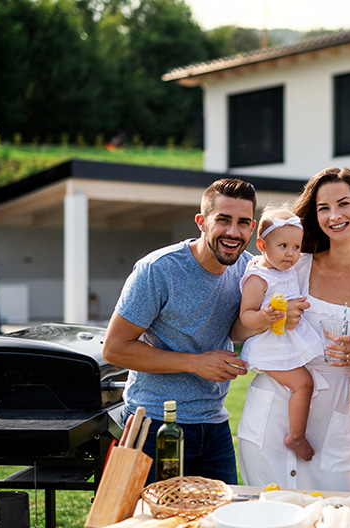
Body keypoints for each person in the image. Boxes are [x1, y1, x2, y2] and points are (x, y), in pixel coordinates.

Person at [237, 167, 350, 492]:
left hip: (338, 422)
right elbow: (239, 330)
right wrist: (274, 316)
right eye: (323, 208)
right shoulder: (293, 264)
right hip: (274, 413)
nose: (334, 215)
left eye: (343, 204)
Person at [103, 178, 266, 485]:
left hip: (215, 424)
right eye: (223, 220)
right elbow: (115, 348)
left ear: (252, 227)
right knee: (155, 519)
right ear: (202, 222)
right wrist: (195, 363)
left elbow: (236, 327)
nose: (234, 232)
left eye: (243, 223)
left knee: (220, 518)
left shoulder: (248, 269)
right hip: (155, 424)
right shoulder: (158, 269)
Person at [238, 206, 323, 462]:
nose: (291, 254)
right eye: (283, 246)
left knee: (304, 384)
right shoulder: (258, 278)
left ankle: (296, 432)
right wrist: (264, 316)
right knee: (304, 384)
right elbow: (245, 316)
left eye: (296, 247)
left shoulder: (284, 270)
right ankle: (295, 436)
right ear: (262, 245)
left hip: (284, 342)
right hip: (269, 347)